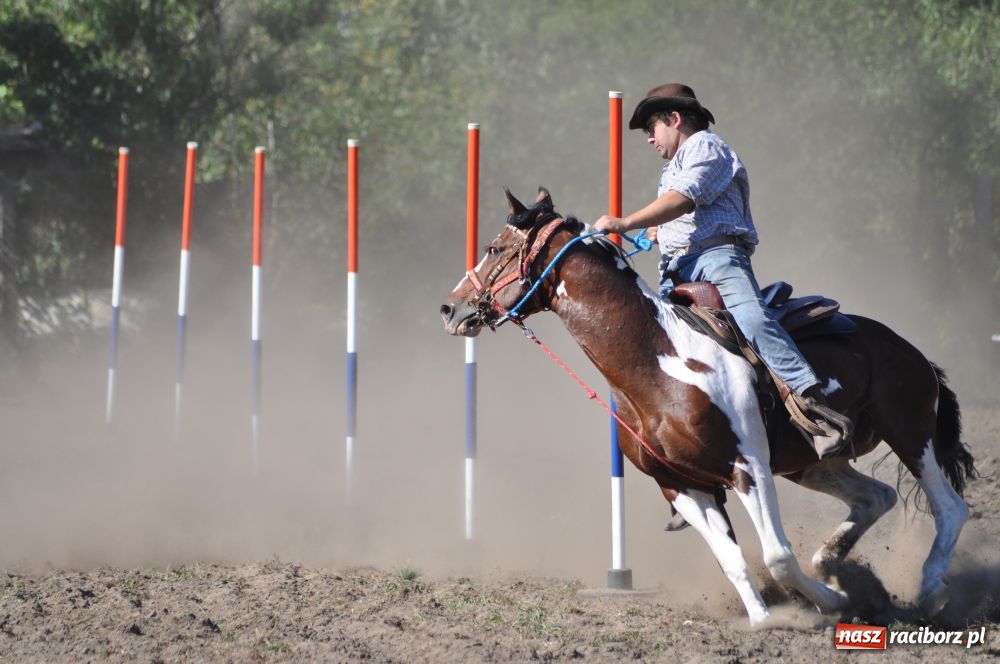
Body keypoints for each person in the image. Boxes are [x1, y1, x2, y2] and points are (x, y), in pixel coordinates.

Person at [593, 83, 850, 459]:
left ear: (675, 119)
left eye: (652, 128)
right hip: (677, 269)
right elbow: (680, 210)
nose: (650, 139)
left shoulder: (706, 147)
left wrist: (625, 221)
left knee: (752, 320)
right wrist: (659, 231)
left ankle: (815, 409)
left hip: (716, 262)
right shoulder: (673, 167)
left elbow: (682, 200)